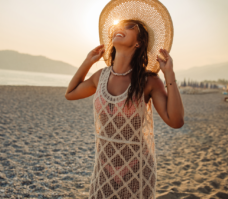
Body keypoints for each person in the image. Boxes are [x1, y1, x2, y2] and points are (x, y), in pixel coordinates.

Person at [65, 1, 184, 198]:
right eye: (120, 25)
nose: (121, 28)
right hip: (103, 170)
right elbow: (70, 93)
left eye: (130, 27)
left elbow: (176, 121)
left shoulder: (149, 81)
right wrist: (88, 61)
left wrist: (169, 74)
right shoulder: (100, 76)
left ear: (139, 42)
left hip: (137, 171)